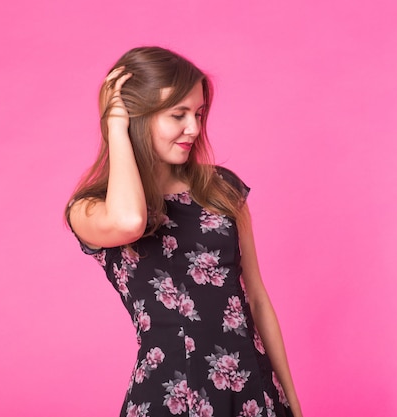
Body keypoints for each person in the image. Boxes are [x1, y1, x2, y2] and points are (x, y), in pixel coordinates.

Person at [66, 46, 303, 417]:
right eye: (178, 114)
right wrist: (115, 127)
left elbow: (256, 299)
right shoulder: (90, 209)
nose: (193, 128)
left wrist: (291, 401)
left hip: (253, 395)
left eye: (198, 114)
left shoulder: (222, 188)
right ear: (134, 115)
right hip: (169, 398)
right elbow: (131, 222)